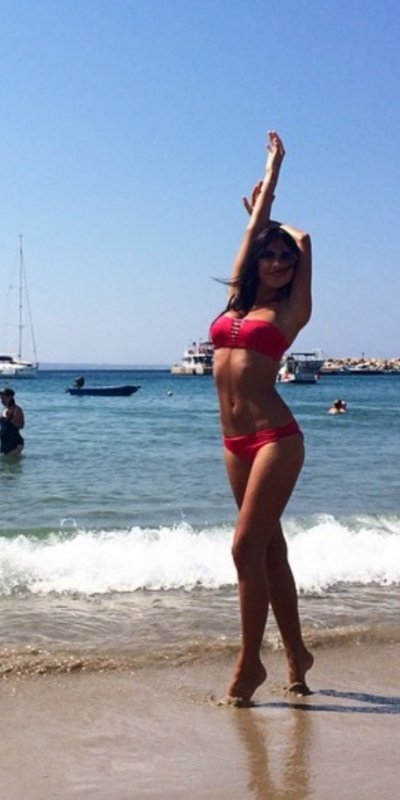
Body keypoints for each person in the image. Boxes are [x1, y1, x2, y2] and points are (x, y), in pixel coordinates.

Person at [210, 130, 313, 705]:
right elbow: (252, 236)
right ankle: (297, 655)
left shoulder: (292, 309)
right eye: (269, 255)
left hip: (276, 438)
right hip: (235, 443)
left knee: (243, 549)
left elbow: (304, 237)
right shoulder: (236, 301)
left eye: (285, 258)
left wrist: (276, 196)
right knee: (270, 553)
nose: (277, 262)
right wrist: (263, 200)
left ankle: (250, 664)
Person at [0, 387, 25, 456]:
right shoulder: (5, 409)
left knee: (12, 462)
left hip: (15, 444)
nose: (2, 400)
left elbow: (21, 425)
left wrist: (12, 419)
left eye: (3, 398)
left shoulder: (17, 409)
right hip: (5, 444)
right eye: (1, 398)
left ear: (10, 397)